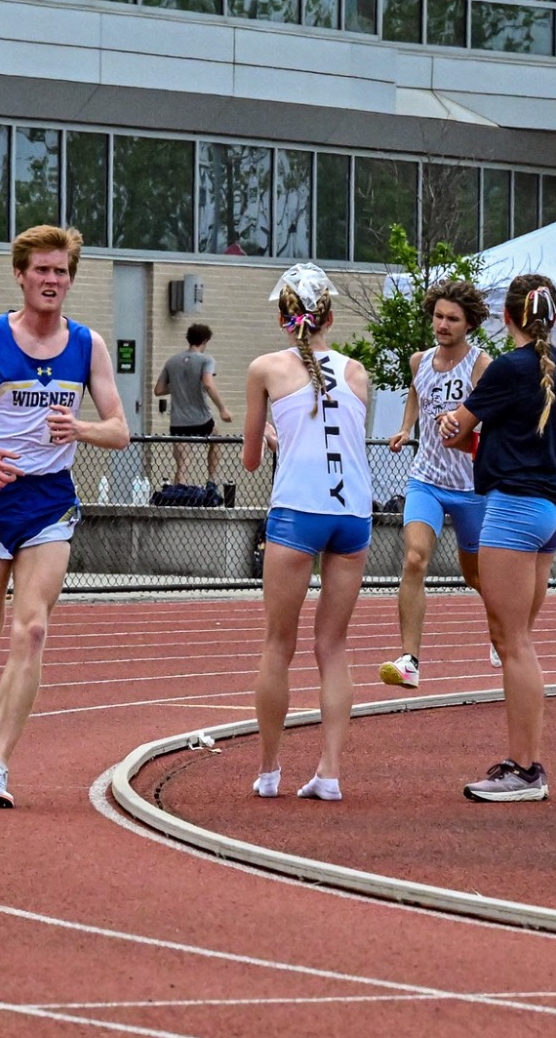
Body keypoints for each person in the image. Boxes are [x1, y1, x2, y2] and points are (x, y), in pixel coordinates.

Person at [0, 225, 130, 809]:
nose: (52, 281)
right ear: (20, 274)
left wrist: (82, 428)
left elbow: (118, 429)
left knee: (34, 628)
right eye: (41, 270)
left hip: (48, 502)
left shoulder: (86, 345)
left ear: (71, 279)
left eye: (61, 272)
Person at [440, 273, 556, 803]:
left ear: (508, 317)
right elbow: (531, 434)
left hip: (514, 510)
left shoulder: (507, 367)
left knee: (513, 644)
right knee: (515, 642)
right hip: (550, 510)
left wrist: (448, 425)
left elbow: (456, 427)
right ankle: (522, 765)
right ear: (552, 317)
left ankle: (525, 770)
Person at [243, 263, 371, 803]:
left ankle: (270, 769)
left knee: (278, 644)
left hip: (299, 509)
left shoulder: (265, 369)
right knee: (333, 646)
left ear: (282, 317)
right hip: (353, 515)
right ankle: (331, 771)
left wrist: (274, 442)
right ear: (330, 318)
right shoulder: (358, 371)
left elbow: (249, 461)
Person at [380, 280, 494, 690]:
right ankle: (410, 660)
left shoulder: (481, 364)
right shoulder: (419, 360)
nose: (442, 325)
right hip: (426, 479)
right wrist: (405, 427)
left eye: (452, 319)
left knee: (478, 577)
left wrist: (464, 420)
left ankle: (504, 634)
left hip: (470, 487)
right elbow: (416, 394)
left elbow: (493, 414)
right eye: (438, 316)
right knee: (414, 559)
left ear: (469, 324)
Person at [152, 322, 232, 488]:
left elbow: (158, 390)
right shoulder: (206, 360)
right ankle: (211, 481)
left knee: (183, 461)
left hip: (178, 421)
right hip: (201, 418)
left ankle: (179, 492)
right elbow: (208, 384)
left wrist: (178, 385)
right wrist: (223, 409)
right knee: (216, 440)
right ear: (204, 341)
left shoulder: (172, 362)